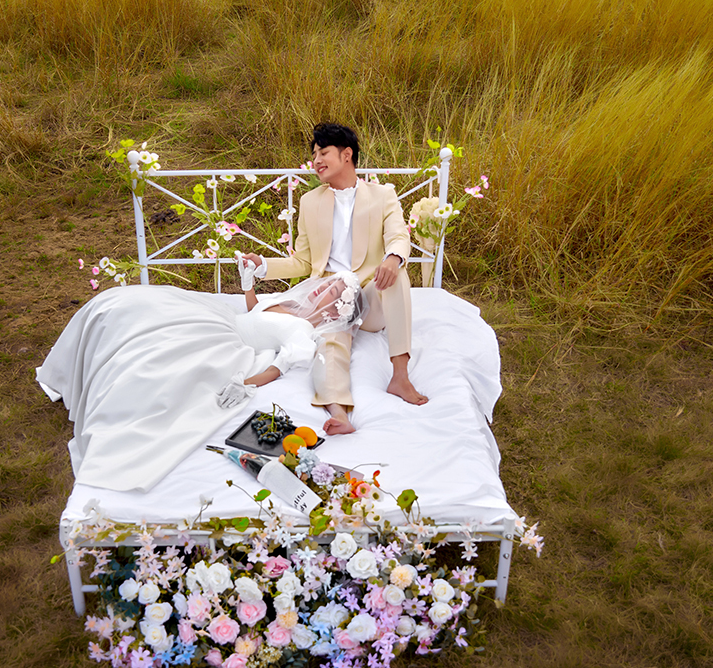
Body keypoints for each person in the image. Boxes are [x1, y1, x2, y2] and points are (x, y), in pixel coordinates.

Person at [35, 274, 365, 493]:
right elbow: (257, 313)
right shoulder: (291, 304)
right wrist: (248, 285)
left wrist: (246, 382)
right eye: (329, 282)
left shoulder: (303, 331)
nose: (323, 287)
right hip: (221, 319)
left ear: (336, 311)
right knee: (129, 306)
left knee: (157, 365)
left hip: (228, 341)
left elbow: (279, 368)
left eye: (333, 291)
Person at [237, 122, 428, 436]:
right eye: (314, 155)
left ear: (346, 155)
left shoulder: (383, 195)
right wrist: (263, 266)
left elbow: (398, 236)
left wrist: (393, 258)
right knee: (329, 346)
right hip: (332, 298)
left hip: (370, 295)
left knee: (397, 275)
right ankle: (339, 412)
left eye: (323, 152)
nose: (316, 160)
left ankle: (400, 375)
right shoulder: (310, 201)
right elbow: (302, 261)